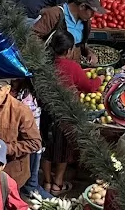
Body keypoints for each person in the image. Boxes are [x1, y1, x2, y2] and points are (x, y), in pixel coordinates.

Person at [43, 31, 101, 194]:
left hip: (47, 112)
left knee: (47, 148)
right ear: (69, 50)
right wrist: (99, 80)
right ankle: (57, 184)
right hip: (65, 114)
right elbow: (89, 87)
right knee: (63, 150)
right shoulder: (72, 66)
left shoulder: (46, 64)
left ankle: (47, 182)